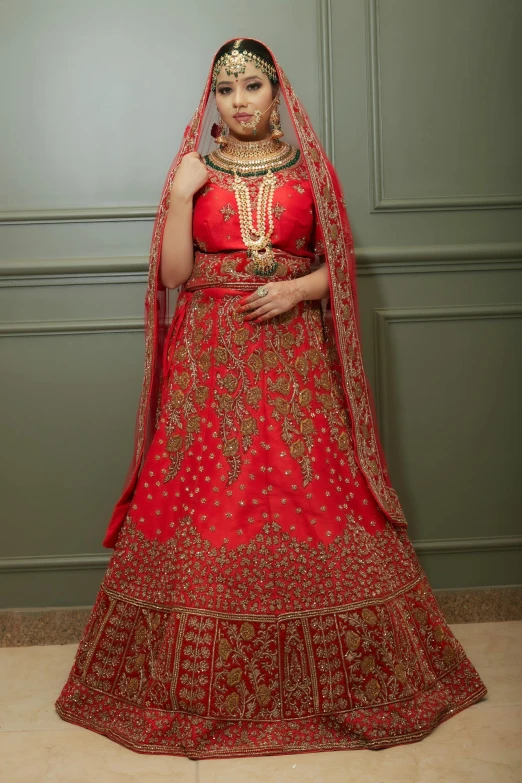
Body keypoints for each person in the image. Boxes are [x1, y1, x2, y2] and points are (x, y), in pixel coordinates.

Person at [54, 37, 487, 760]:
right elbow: (172, 275)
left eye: (253, 86)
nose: (241, 101)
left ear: (276, 93)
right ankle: (195, 688)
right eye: (227, 91)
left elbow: (339, 267)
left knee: (313, 495)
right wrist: (184, 191)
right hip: (209, 361)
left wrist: (294, 287)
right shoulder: (192, 169)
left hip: (294, 360)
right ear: (213, 99)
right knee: (205, 505)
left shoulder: (309, 168)